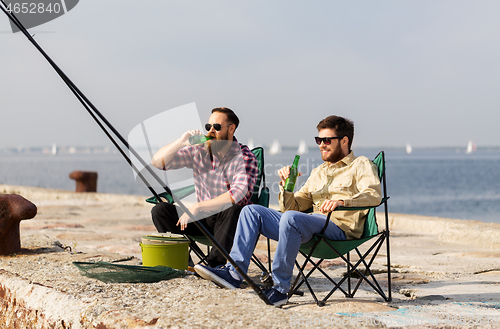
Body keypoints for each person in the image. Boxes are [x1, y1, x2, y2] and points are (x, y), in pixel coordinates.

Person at [194, 115, 382, 306]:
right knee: (251, 211)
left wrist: (342, 201)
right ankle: (234, 273)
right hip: (310, 227)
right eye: (319, 140)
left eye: (327, 140)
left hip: (339, 230)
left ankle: (280, 288)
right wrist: (287, 188)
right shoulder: (318, 172)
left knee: (291, 219)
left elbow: (373, 195)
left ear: (344, 140)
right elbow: (292, 208)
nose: (321, 145)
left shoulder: (361, 165)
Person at [150, 107, 258, 267]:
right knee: (160, 211)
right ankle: (183, 262)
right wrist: (181, 142)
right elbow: (158, 162)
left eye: (217, 127)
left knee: (233, 208)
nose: (211, 131)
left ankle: (215, 266)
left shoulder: (245, 157)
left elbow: (237, 194)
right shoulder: (199, 151)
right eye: (208, 127)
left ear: (231, 129)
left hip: (230, 222)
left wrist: (198, 206)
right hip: (203, 220)